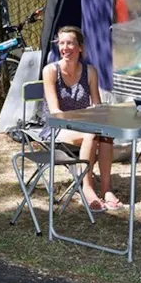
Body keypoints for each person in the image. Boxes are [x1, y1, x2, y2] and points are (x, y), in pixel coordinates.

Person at [41, 26, 122, 212]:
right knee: (91, 134)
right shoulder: (50, 71)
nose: (65, 47)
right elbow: (55, 112)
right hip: (57, 127)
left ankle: (106, 189)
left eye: (70, 43)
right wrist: (84, 120)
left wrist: (96, 111)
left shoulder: (90, 71)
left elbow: (97, 107)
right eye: (61, 43)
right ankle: (87, 188)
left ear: (80, 48)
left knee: (105, 134)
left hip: (85, 126)